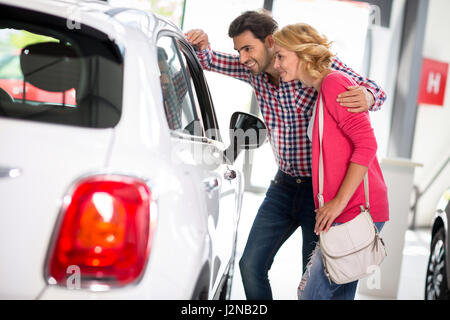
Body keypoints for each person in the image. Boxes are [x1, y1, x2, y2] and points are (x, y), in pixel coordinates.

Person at [185, 10, 386, 300]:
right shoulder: (250, 69)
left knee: (316, 280)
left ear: (270, 42)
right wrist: (201, 43)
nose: (242, 58)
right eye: (238, 50)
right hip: (284, 184)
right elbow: (210, 60)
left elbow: (374, 91)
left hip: (319, 193)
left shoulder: (310, 68)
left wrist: (368, 96)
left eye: (247, 48)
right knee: (250, 265)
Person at [272, 23, 389, 300]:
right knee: (339, 294)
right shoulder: (323, 87)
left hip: (353, 208)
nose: (276, 64)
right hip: (349, 208)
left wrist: (336, 204)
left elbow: (367, 144)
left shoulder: (334, 82)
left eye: (280, 56)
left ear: (302, 53)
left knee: (312, 295)